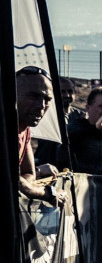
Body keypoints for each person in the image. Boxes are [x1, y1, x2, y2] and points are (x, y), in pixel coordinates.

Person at [14, 66, 57, 194]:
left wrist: (28, 184)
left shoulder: (24, 128)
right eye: (33, 96)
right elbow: (12, 181)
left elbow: (28, 173)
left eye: (47, 99)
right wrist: (49, 193)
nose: (41, 106)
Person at [67, 85, 102, 178]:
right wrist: (95, 129)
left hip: (97, 188)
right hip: (75, 187)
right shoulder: (74, 127)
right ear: (88, 108)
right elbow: (64, 156)